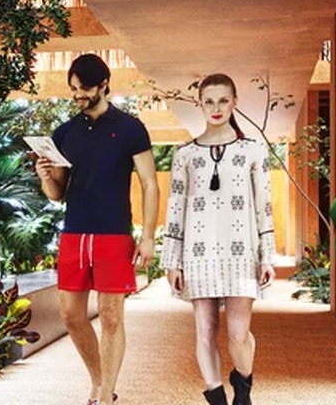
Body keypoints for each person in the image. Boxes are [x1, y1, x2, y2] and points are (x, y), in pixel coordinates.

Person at [35, 54, 158, 405]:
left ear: (104, 84)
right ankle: (99, 380)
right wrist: (47, 176)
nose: (78, 95)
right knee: (71, 315)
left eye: (85, 88)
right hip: (74, 234)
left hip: (115, 234)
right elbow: (57, 194)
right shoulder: (65, 133)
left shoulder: (131, 128)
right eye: (73, 89)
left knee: (110, 316)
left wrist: (147, 236)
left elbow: (150, 183)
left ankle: (104, 396)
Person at [160, 73, 276, 405]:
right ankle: (217, 397)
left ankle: (243, 386)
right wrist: (173, 261)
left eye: (223, 100)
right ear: (199, 104)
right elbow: (175, 208)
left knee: (239, 334)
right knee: (205, 331)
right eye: (209, 101)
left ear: (234, 102)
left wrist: (267, 255)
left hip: (242, 252)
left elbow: (263, 206)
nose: (216, 107)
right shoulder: (185, 154)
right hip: (198, 253)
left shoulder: (253, 150)